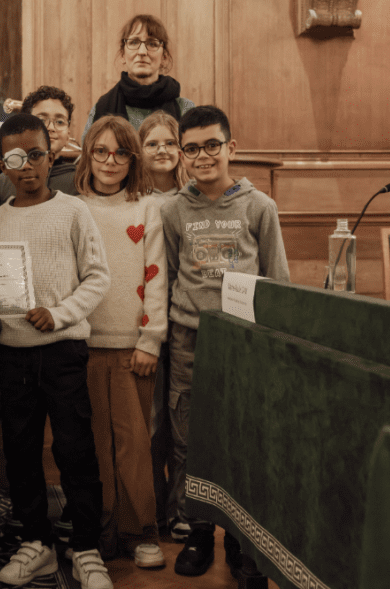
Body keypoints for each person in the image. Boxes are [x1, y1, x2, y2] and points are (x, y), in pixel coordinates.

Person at [160, 105, 290, 577]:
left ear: (230, 147)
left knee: (241, 437)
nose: (202, 156)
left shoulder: (260, 207)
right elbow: (169, 274)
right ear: (182, 154)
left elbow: (277, 281)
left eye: (212, 145)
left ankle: (239, 537)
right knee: (189, 438)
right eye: (192, 148)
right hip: (189, 339)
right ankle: (197, 531)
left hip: (244, 342)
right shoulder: (173, 209)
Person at [0, 113, 114, 589]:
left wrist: (59, 314)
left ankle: (85, 546)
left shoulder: (74, 211)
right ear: (3, 165)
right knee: (20, 451)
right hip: (13, 355)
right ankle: (35, 540)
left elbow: (97, 277)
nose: (27, 166)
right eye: (15, 158)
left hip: (63, 351)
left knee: (75, 447)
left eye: (36, 155)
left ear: (52, 155)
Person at [75, 115, 168, 569]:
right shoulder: (72, 207)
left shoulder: (148, 208)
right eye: (101, 152)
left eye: (121, 153)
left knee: (133, 443)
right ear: (88, 156)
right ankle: (103, 527)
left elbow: (157, 277)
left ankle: (140, 529)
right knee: (95, 443)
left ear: (133, 159)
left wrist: (151, 339)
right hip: (83, 344)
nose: (110, 161)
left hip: (134, 348)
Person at [137, 110, 190, 542]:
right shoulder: (134, 198)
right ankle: (153, 506)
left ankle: (182, 508)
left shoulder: (192, 197)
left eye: (170, 143)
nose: (162, 150)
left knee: (183, 424)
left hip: (187, 323)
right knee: (151, 422)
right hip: (147, 322)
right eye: (152, 143)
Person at [81, 14, 195, 140]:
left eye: (152, 44)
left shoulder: (185, 110)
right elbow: (89, 152)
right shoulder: (101, 108)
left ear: (164, 57)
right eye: (134, 42)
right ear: (123, 55)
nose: (142, 52)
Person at [0, 85, 78, 215]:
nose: (51, 128)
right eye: (41, 120)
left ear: (68, 134)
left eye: (60, 122)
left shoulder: (80, 180)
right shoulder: (4, 181)